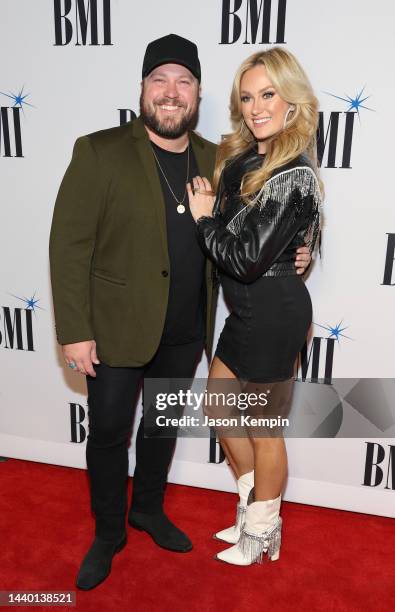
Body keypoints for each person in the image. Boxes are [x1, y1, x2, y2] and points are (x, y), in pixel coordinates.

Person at [49, 35, 312, 589]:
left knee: (161, 428)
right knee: (109, 433)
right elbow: (69, 246)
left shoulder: (218, 157)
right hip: (117, 328)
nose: (171, 93)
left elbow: (261, 225)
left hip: (187, 327)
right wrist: (75, 331)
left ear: (196, 94)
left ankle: (147, 510)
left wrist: (300, 250)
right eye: (159, 81)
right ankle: (108, 532)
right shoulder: (99, 150)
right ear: (143, 88)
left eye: (184, 82)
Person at [187, 46, 322, 566]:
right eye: (247, 97)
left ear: (291, 101)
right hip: (245, 313)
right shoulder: (246, 158)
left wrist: (203, 220)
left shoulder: (295, 173)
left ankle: (264, 529)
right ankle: (250, 503)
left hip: (275, 313)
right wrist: (301, 249)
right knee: (219, 403)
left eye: (267, 94)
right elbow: (284, 238)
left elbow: (242, 258)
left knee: (265, 428)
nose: (255, 106)